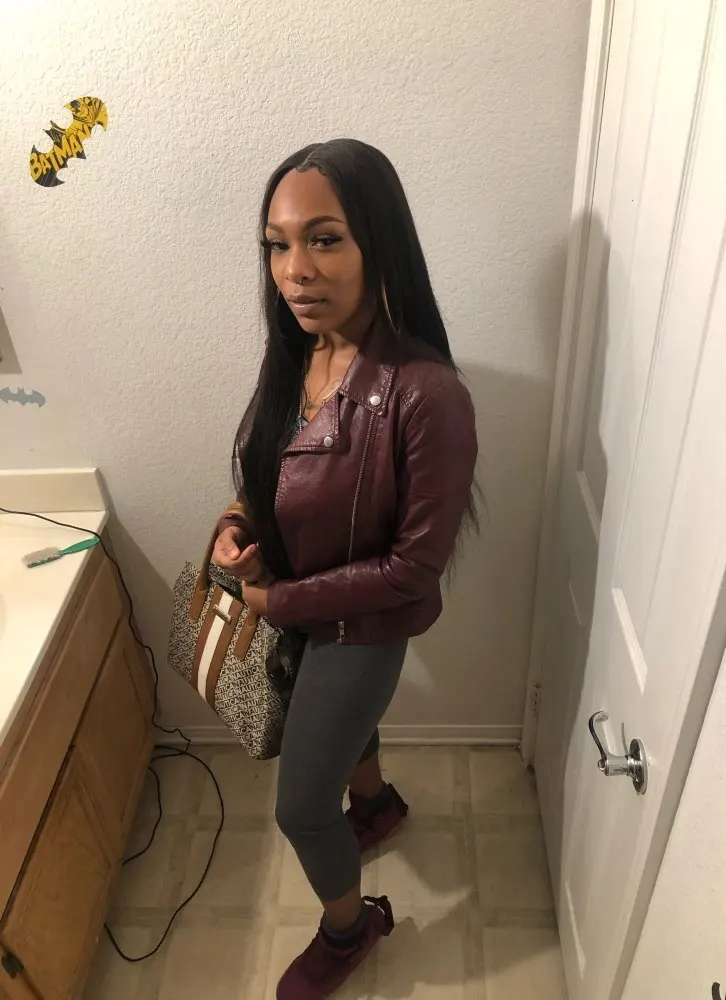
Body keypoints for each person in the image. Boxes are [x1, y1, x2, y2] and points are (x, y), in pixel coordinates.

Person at [212, 138, 478, 1000]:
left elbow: (414, 569)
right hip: (297, 602)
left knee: (299, 808)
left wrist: (278, 599)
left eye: (324, 239)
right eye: (278, 244)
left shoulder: (427, 393)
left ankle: (350, 927)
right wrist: (235, 523)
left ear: (378, 243)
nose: (295, 271)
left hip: (360, 627)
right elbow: (268, 468)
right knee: (337, 734)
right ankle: (376, 807)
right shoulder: (298, 352)